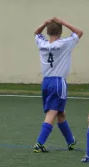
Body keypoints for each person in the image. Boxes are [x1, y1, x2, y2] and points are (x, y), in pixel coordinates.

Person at [33, 17, 83, 153]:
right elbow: (79, 32)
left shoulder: (42, 44)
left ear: (48, 32)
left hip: (46, 82)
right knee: (52, 114)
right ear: (60, 32)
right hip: (58, 82)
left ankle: (70, 141)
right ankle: (39, 143)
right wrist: (64, 22)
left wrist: (44, 23)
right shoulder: (64, 44)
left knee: (61, 114)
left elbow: (36, 33)